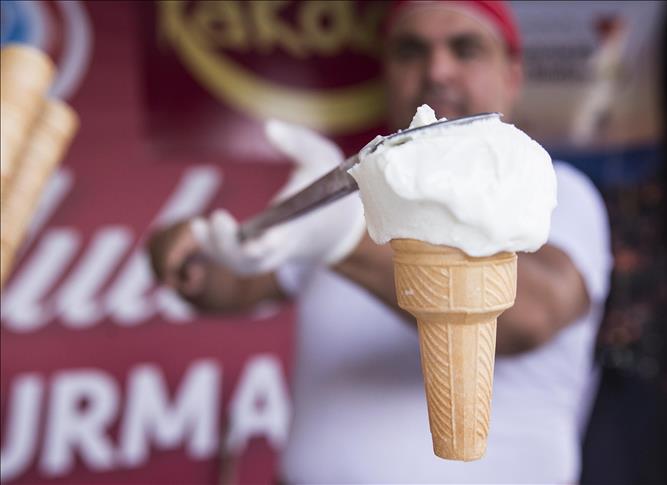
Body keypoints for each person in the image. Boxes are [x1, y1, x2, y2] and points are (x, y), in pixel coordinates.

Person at [149, 1, 612, 482]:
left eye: (465, 49)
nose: (437, 70)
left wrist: (346, 237)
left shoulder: (556, 191)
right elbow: (225, 284)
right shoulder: (353, 194)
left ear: (512, 75)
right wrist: (189, 248)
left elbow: (532, 318)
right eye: (411, 51)